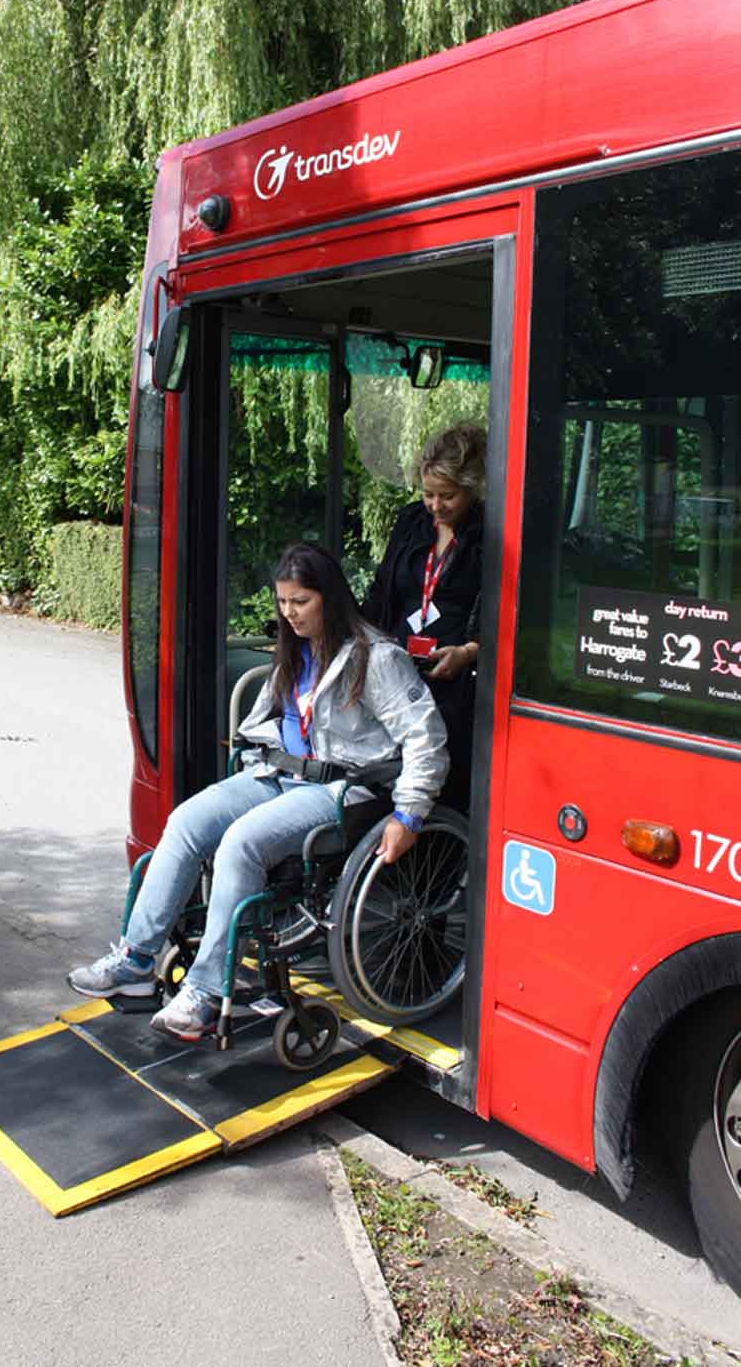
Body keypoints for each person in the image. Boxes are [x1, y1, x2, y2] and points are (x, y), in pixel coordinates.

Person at [67, 542, 449, 1042]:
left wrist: (410, 815)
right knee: (185, 822)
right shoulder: (295, 649)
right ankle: (137, 957)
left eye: (300, 602)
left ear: (329, 599)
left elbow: (426, 738)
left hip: (340, 787)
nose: (289, 614)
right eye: (283, 602)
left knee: (241, 842)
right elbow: (268, 718)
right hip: (275, 774)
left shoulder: (377, 659)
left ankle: (204, 992)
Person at [361, 421, 485, 811]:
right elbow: (383, 590)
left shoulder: (491, 531)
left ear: (472, 487)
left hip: (457, 681)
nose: (435, 506)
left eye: (447, 496)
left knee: (442, 776)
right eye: (428, 494)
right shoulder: (412, 521)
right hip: (399, 668)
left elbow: (506, 609)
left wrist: (468, 652)